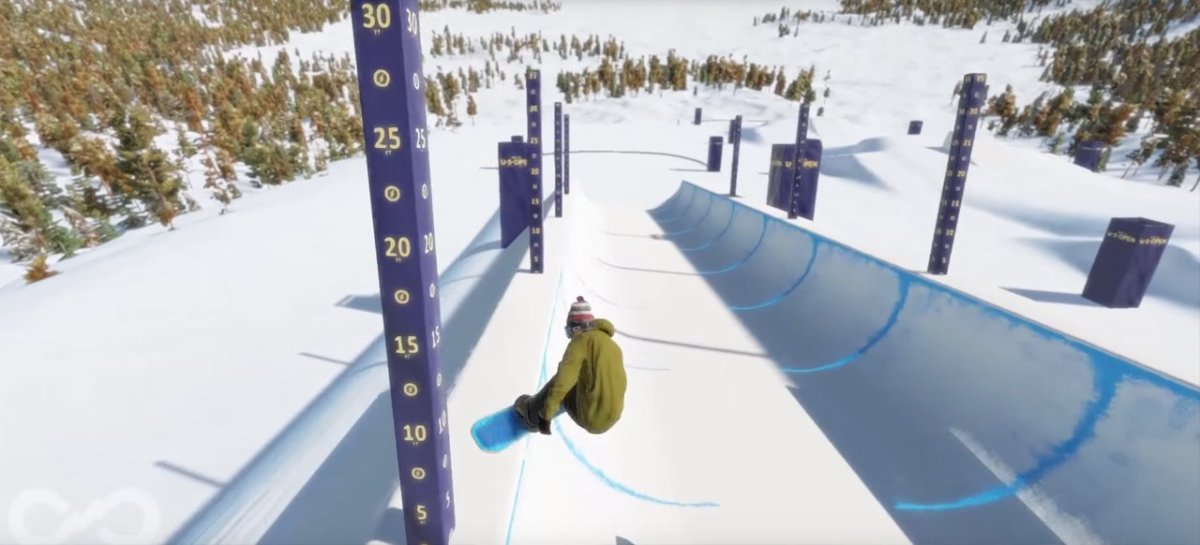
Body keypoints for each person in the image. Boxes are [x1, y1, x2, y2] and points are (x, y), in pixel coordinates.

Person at [515, 296, 627, 435]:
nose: (570, 337)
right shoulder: (613, 346)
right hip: (612, 417)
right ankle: (561, 404)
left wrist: (546, 415)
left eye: (569, 331)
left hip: (592, 419)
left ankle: (531, 414)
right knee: (580, 374)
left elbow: (563, 380)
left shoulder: (581, 339)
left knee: (564, 378)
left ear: (577, 328)